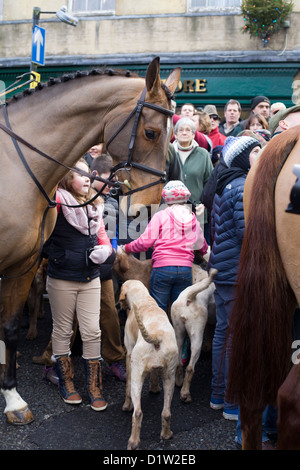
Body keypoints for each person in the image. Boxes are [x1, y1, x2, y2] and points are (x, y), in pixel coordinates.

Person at [46, 158, 112, 411]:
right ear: (65, 178)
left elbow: (104, 237)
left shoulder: (95, 204)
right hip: (62, 277)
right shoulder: (57, 200)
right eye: (81, 174)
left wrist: (106, 252)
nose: (88, 178)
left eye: (89, 175)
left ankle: (95, 387)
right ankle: (68, 384)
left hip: (90, 277)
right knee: (62, 331)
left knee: (92, 331)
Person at [208, 136, 262, 421]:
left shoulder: (224, 183)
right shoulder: (242, 185)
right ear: (241, 158)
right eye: (255, 150)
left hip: (223, 269)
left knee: (223, 333)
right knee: (234, 337)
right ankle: (232, 402)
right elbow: (246, 233)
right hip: (236, 271)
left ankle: (218, 395)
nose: (260, 154)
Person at [122, 180, 208, 313]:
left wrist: (127, 248)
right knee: (180, 311)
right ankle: (179, 334)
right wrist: (202, 252)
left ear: (166, 199)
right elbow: (201, 245)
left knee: (158, 310)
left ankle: (160, 333)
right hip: (185, 270)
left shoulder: (161, 215)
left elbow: (145, 242)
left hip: (163, 269)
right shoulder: (192, 218)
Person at [90, 154, 126, 382]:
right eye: (107, 180)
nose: (111, 185)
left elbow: (117, 235)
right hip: (77, 269)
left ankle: (114, 358)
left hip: (103, 270)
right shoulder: (77, 199)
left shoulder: (111, 203)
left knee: (110, 313)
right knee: (70, 320)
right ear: (93, 175)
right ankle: (53, 360)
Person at [172, 117, 214, 244]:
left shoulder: (203, 154)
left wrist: (204, 204)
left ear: (193, 134)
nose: (184, 133)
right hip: (171, 212)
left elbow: (210, 183)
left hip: (197, 211)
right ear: (175, 134)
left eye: (188, 130)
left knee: (198, 251)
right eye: (181, 130)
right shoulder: (168, 153)